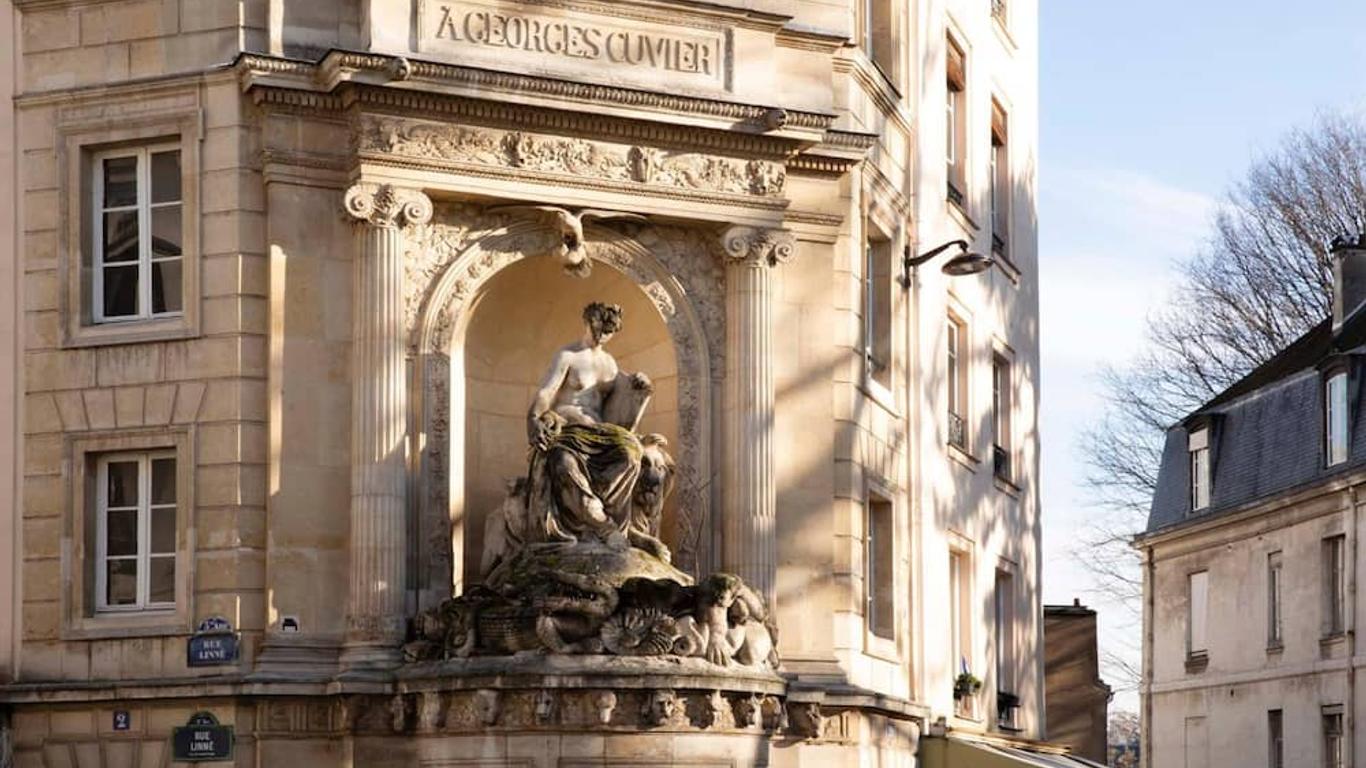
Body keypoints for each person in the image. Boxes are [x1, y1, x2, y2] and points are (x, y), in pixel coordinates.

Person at [524, 302, 653, 544]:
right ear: (587, 322)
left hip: (601, 432)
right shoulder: (568, 356)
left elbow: (620, 418)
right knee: (563, 462)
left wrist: (639, 392)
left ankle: (605, 517)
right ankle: (600, 524)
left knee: (630, 456)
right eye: (598, 328)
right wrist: (533, 419)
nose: (602, 335)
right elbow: (546, 392)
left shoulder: (610, 364)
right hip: (568, 429)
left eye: (609, 331)